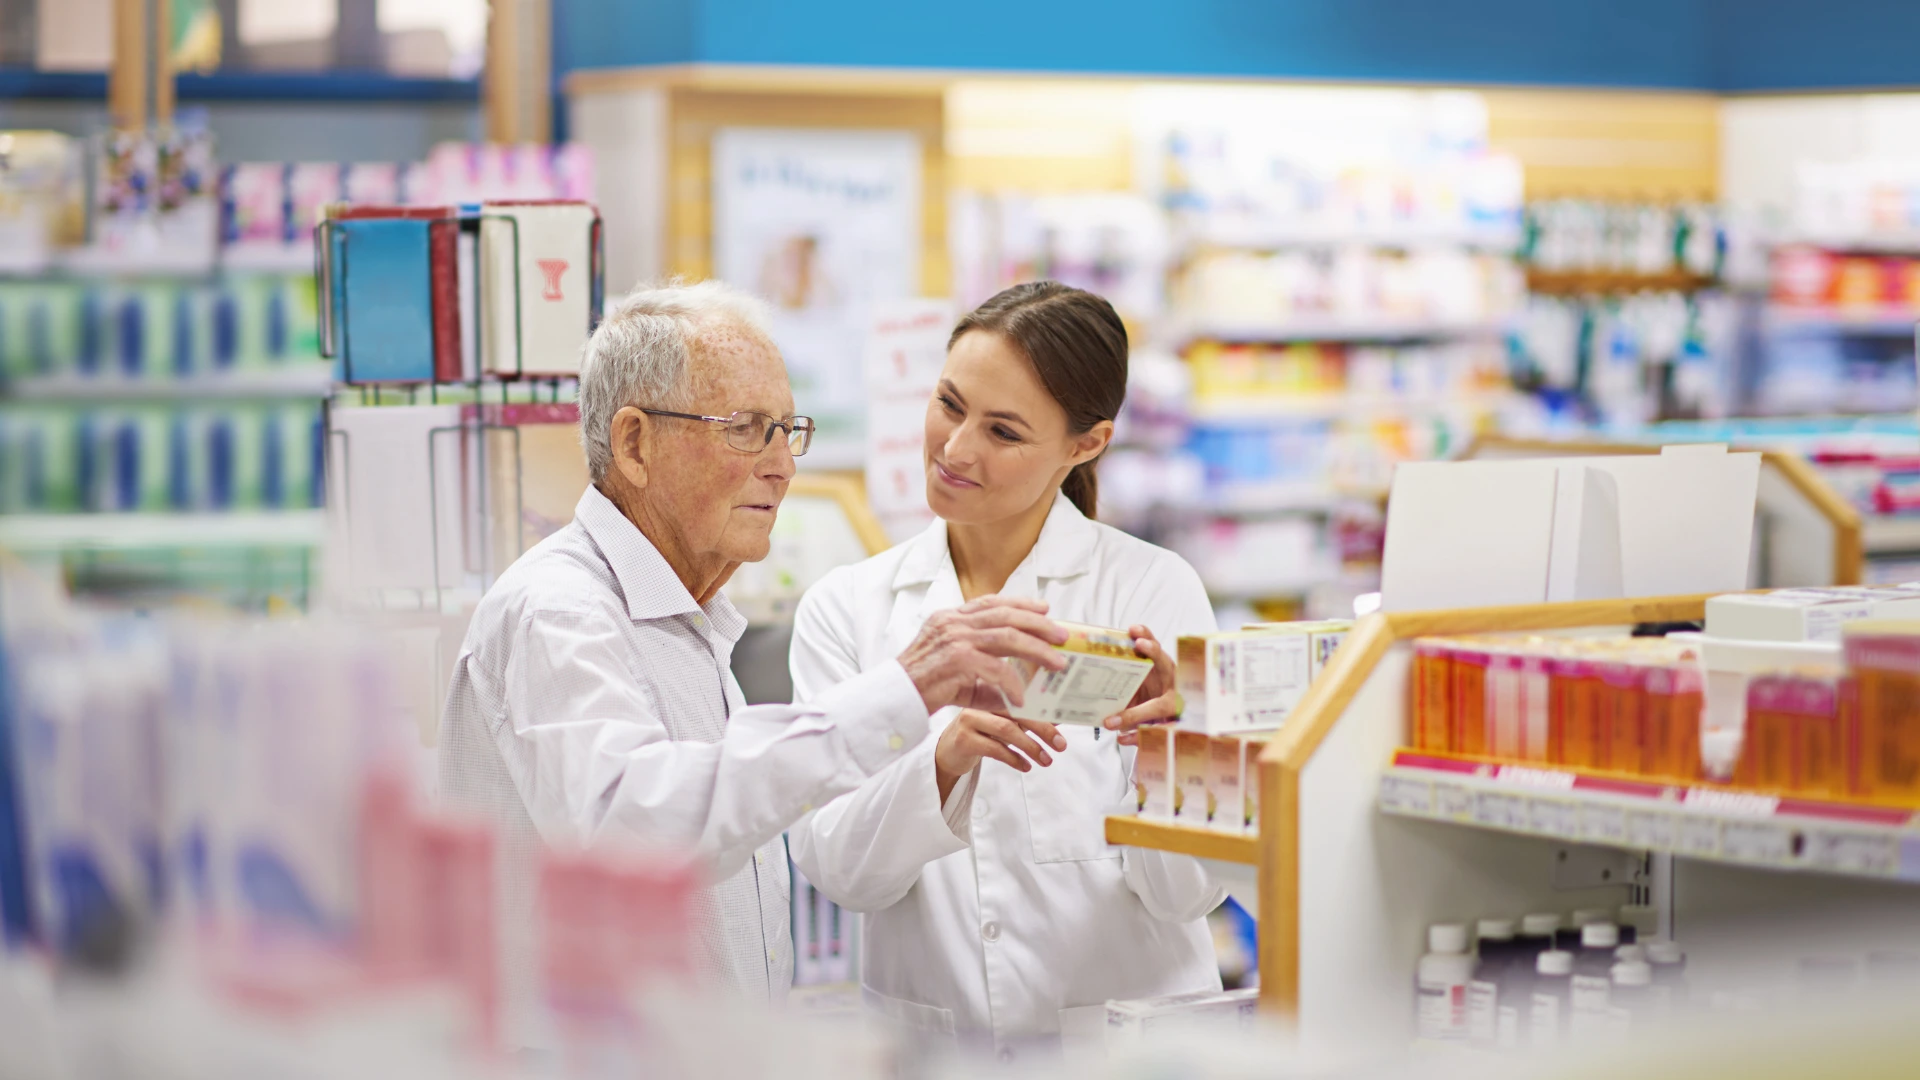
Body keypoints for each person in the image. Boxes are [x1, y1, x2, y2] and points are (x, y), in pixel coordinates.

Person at [437, 279, 1073, 1044]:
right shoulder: (559, 611)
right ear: (635, 443)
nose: (781, 466)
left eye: (785, 429)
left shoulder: (686, 618)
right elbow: (633, 830)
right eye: (745, 428)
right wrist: (901, 693)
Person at [787, 282, 1226, 1058]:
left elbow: (1187, 893)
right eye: (950, 405)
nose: (956, 450)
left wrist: (1166, 749)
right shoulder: (848, 607)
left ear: (1084, 445)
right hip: (935, 1049)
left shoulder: (1152, 592)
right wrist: (944, 762)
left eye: (1004, 432)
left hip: (1130, 1054)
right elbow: (839, 871)